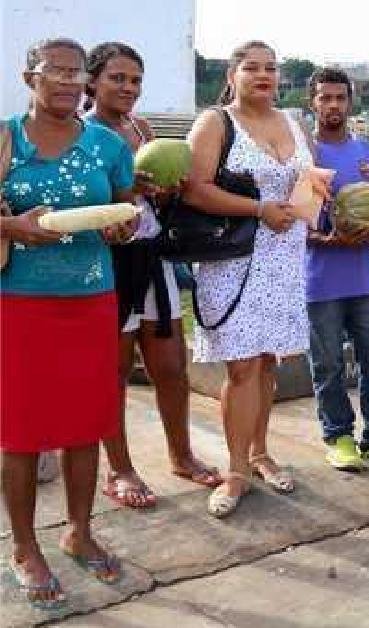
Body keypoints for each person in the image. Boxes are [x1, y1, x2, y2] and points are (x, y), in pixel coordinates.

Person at [1, 37, 135, 608]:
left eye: (74, 72)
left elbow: (126, 208)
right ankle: (26, 545)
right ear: (29, 75)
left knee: (87, 423)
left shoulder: (108, 144)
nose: (65, 81)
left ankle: (79, 531)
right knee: (22, 432)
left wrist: (121, 226)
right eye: (52, 70)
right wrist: (12, 229)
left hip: (90, 300)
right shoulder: (5, 137)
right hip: (20, 305)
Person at [84, 41, 222, 510]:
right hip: (110, 264)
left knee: (171, 367)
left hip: (154, 256)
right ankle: (119, 469)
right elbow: (93, 201)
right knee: (114, 373)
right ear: (92, 82)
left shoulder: (140, 128)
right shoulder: (84, 134)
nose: (127, 87)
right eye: (116, 78)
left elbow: (154, 202)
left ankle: (181, 456)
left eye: (135, 80)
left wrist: (165, 191)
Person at [183, 40, 315, 518]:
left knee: (267, 362)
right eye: (252, 67)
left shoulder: (294, 123)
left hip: (284, 259)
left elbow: (309, 182)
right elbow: (194, 190)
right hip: (233, 259)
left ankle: (260, 452)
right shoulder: (216, 122)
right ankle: (235, 469)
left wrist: (322, 200)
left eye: (271, 68)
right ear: (232, 73)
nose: (264, 75)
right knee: (240, 368)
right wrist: (258, 208)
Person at [305, 67, 369, 477]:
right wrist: (329, 240)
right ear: (311, 102)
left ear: (350, 102)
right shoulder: (304, 155)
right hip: (319, 280)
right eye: (324, 97)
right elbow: (295, 223)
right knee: (327, 365)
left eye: (339, 98)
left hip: (366, 281)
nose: (332, 105)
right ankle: (339, 436)